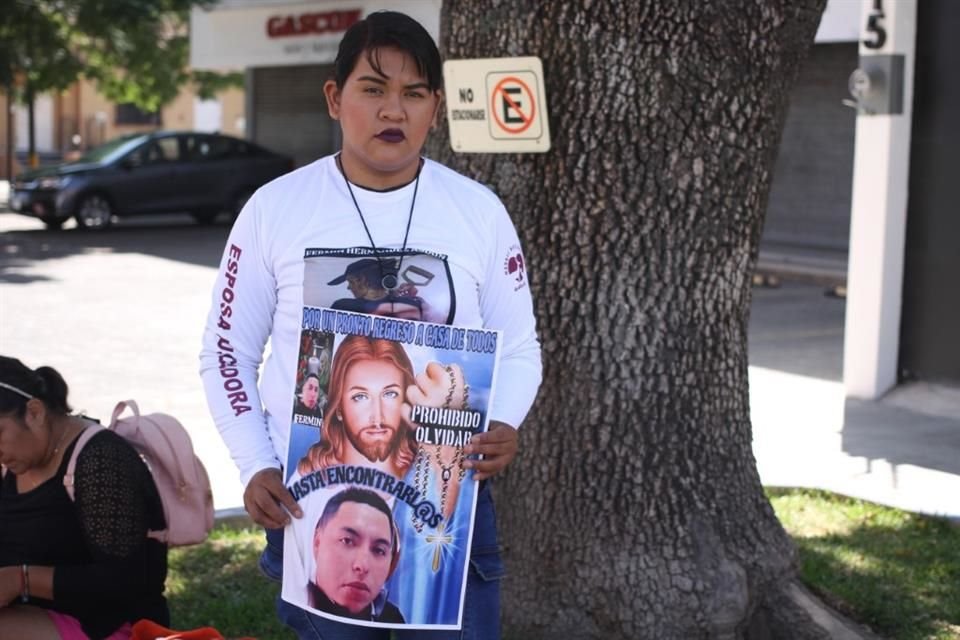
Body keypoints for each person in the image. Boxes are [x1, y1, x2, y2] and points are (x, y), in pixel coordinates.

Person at [199, 9, 542, 639]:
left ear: (436, 108)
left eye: (414, 94)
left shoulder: (478, 212)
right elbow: (226, 349)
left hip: (447, 498)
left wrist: (505, 422)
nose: (394, 111)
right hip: (311, 502)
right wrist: (254, 464)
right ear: (335, 98)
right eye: (374, 89)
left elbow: (520, 344)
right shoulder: (275, 209)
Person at [0, 356, 169, 640]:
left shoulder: (101, 460)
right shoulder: (12, 464)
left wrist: (21, 580)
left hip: (108, 625)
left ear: (35, 412)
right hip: (34, 616)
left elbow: (125, 582)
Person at [297, 335, 419, 479]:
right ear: (339, 408)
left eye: (390, 394)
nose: (377, 417)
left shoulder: (428, 476)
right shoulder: (308, 480)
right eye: (360, 397)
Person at [309, 487, 404, 623]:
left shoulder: (394, 617)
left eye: (379, 550)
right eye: (347, 541)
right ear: (317, 542)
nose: (362, 566)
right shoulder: (300, 599)